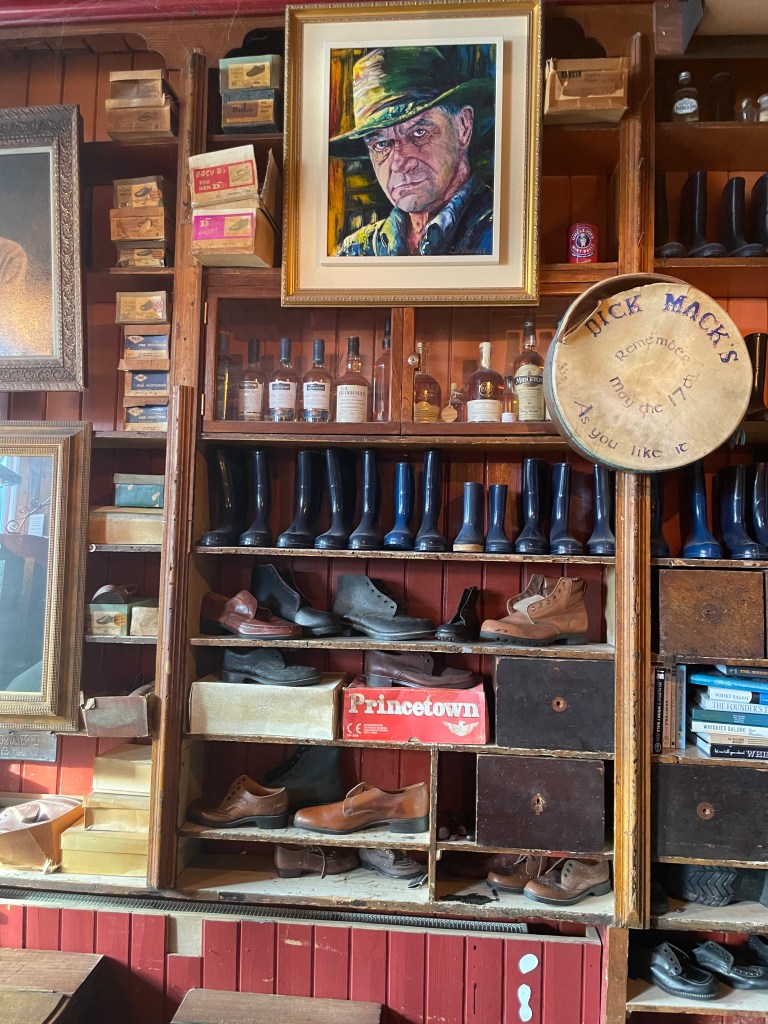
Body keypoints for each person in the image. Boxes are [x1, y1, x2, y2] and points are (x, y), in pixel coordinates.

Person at [330, 46, 495, 257]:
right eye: (381, 144)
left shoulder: (499, 231)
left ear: (463, 126)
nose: (400, 163)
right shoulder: (357, 250)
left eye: (418, 133)